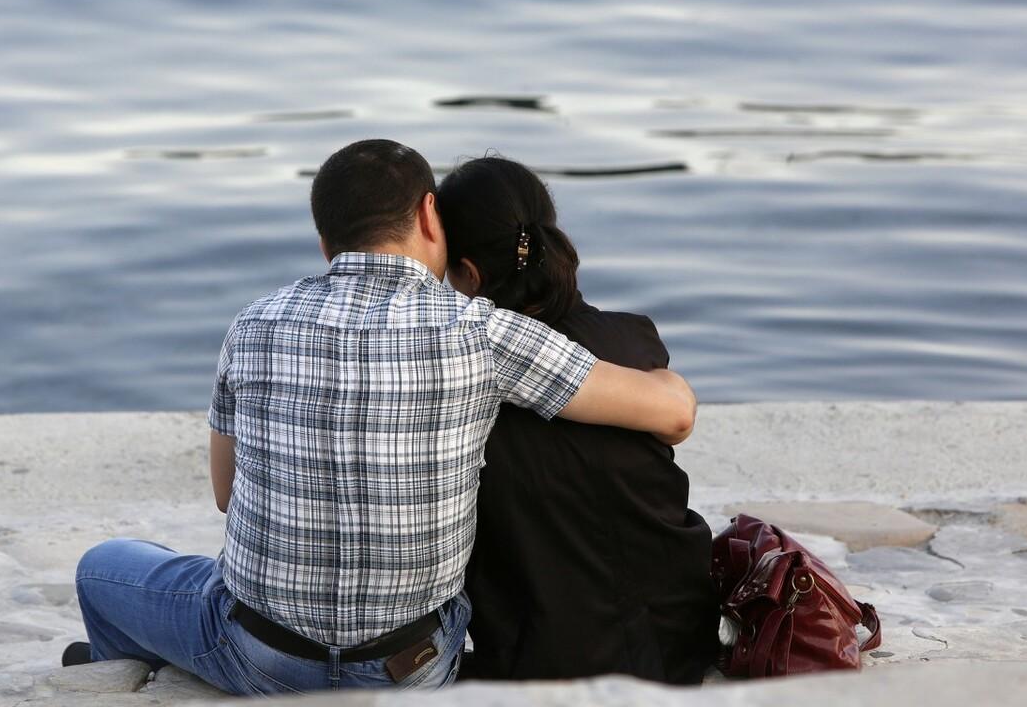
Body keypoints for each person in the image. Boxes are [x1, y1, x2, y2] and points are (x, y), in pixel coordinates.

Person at [67, 139, 699, 695]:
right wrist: (665, 375)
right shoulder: (483, 333)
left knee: (102, 568)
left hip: (261, 660)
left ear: (325, 241)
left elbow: (227, 494)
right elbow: (673, 414)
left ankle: (113, 671)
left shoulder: (254, 322)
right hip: (413, 668)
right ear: (430, 214)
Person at [437, 155, 720, 684]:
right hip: (678, 640)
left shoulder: (460, 373)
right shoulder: (633, 340)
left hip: (541, 661)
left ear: (469, 273)